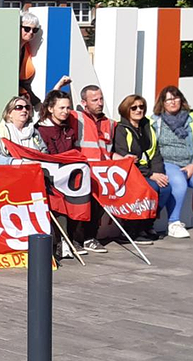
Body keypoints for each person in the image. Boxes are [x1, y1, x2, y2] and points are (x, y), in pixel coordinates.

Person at [36, 90, 105, 257]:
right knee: (62, 200)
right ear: (51, 109)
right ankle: (63, 241)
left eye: (68, 108)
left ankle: (80, 238)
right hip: (51, 178)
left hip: (69, 176)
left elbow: (72, 152)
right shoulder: (41, 129)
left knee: (91, 194)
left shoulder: (68, 128)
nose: (65, 111)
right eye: (61, 108)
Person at [113, 94, 170, 244]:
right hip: (132, 172)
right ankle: (132, 230)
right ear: (126, 110)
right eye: (134, 107)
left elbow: (155, 153)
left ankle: (147, 224)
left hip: (149, 170)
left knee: (165, 189)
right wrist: (151, 175)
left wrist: (158, 173)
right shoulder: (121, 129)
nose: (139, 110)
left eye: (141, 107)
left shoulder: (148, 127)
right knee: (150, 188)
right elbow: (125, 156)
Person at [151, 86, 193, 239]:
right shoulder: (155, 122)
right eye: (169, 99)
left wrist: (192, 166)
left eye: (176, 98)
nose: (173, 101)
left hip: (190, 163)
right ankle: (174, 223)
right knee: (179, 182)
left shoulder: (191, 120)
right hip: (167, 163)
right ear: (162, 102)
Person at [76, 84, 116, 156]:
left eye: (101, 99)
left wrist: (124, 158)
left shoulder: (111, 123)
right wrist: (59, 86)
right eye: (95, 100)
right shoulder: (76, 118)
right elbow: (53, 110)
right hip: (83, 166)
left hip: (103, 166)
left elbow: (109, 153)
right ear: (84, 103)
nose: (100, 103)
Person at [19, 12, 42, 107]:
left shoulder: (27, 47)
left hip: (26, 97)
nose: (31, 32)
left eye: (35, 30)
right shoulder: (12, 48)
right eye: (27, 29)